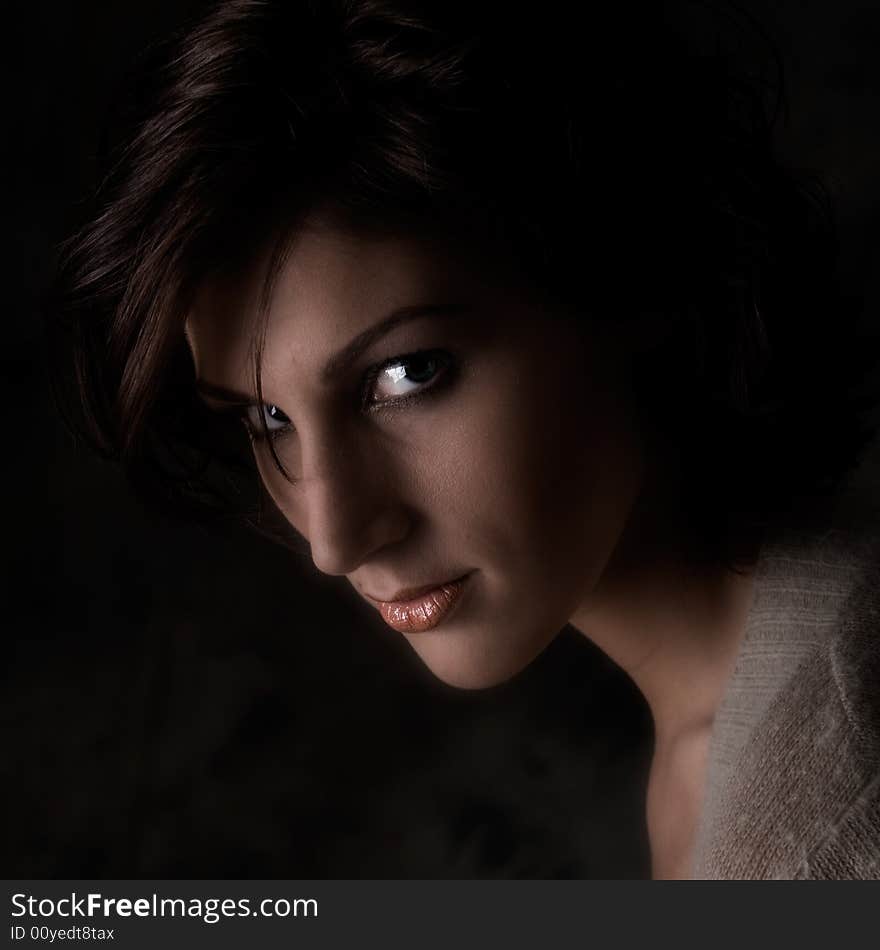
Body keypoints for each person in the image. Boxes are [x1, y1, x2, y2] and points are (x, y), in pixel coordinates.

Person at [47, 0, 880, 878]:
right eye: (268, 419)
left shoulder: (820, 831)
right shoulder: (753, 725)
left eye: (407, 374)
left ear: (626, 266)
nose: (334, 539)